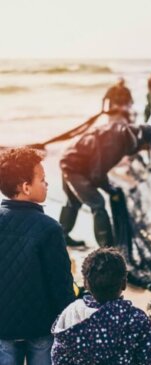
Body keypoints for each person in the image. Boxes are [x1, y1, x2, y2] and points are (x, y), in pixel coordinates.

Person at [52, 247, 151, 365]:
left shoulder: (70, 314)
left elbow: (58, 356)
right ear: (124, 283)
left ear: (86, 284)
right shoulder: (135, 319)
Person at [0, 147, 75, 365]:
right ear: (26, 187)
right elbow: (61, 284)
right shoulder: (49, 228)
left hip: (3, 327)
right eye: (42, 180)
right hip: (41, 328)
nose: (47, 184)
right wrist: (66, 323)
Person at [59, 122, 151, 248]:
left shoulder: (123, 133)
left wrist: (108, 186)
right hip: (73, 166)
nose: (144, 150)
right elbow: (97, 174)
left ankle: (61, 237)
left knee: (73, 202)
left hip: (70, 158)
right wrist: (109, 189)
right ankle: (106, 248)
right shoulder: (117, 143)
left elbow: (97, 167)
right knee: (97, 203)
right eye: (145, 147)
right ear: (140, 139)